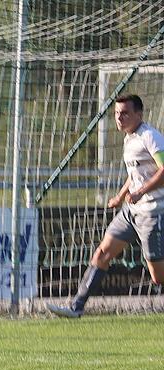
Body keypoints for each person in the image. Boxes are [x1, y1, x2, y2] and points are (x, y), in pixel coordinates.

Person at [47, 94, 164, 318]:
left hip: (152, 212)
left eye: (125, 113)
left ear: (139, 114)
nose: (119, 118)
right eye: (117, 113)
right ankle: (76, 308)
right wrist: (121, 196)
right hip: (131, 212)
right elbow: (136, 174)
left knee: (158, 277)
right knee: (102, 252)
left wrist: (141, 192)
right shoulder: (129, 138)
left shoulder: (150, 137)